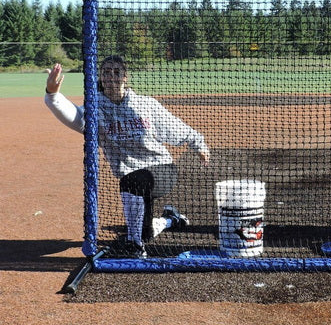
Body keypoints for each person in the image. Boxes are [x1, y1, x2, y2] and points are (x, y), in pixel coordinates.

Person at [45, 56, 210, 258]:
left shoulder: (145, 104)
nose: (111, 77)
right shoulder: (94, 109)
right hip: (134, 180)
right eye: (106, 72)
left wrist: (198, 143)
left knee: (133, 182)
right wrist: (53, 95)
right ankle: (170, 219)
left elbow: (174, 128)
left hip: (162, 169)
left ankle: (134, 246)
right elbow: (74, 117)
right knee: (145, 231)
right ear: (100, 78)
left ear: (125, 77)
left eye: (116, 72)